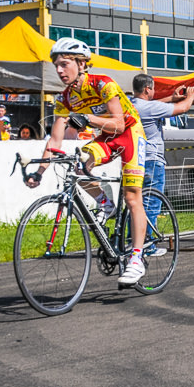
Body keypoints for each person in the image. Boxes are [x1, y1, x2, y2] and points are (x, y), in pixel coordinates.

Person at [25, 38, 150, 286]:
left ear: (81, 64)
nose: (59, 71)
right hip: (105, 137)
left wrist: (88, 118)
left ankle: (137, 257)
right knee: (78, 166)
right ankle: (105, 203)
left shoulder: (103, 84)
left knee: (132, 195)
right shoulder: (65, 99)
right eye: (56, 66)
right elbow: (55, 141)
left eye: (64, 64)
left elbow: (119, 123)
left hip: (130, 134)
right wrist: (39, 171)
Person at [131, 74, 194, 233]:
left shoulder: (130, 104)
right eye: (153, 88)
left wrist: (171, 98)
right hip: (152, 160)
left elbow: (151, 105)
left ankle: (132, 241)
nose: (154, 92)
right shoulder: (150, 108)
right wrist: (191, 96)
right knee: (151, 205)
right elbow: (183, 108)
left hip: (134, 160)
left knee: (135, 206)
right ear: (147, 89)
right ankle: (147, 243)